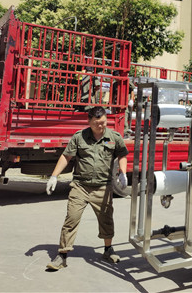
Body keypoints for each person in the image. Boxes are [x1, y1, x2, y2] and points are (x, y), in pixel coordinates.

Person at [45, 106, 128, 271]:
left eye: (103, 122)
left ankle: (108, 250)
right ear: (89, 122)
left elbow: (122, 155)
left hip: (103, 187)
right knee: (71, 219)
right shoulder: (79, 137)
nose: (101, 126)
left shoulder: (113, 137)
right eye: (97, 123)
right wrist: (54, 176)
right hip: (80, 186)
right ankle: (62, 256)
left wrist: (123, 172)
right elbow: (66, 156)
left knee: (106, 220)